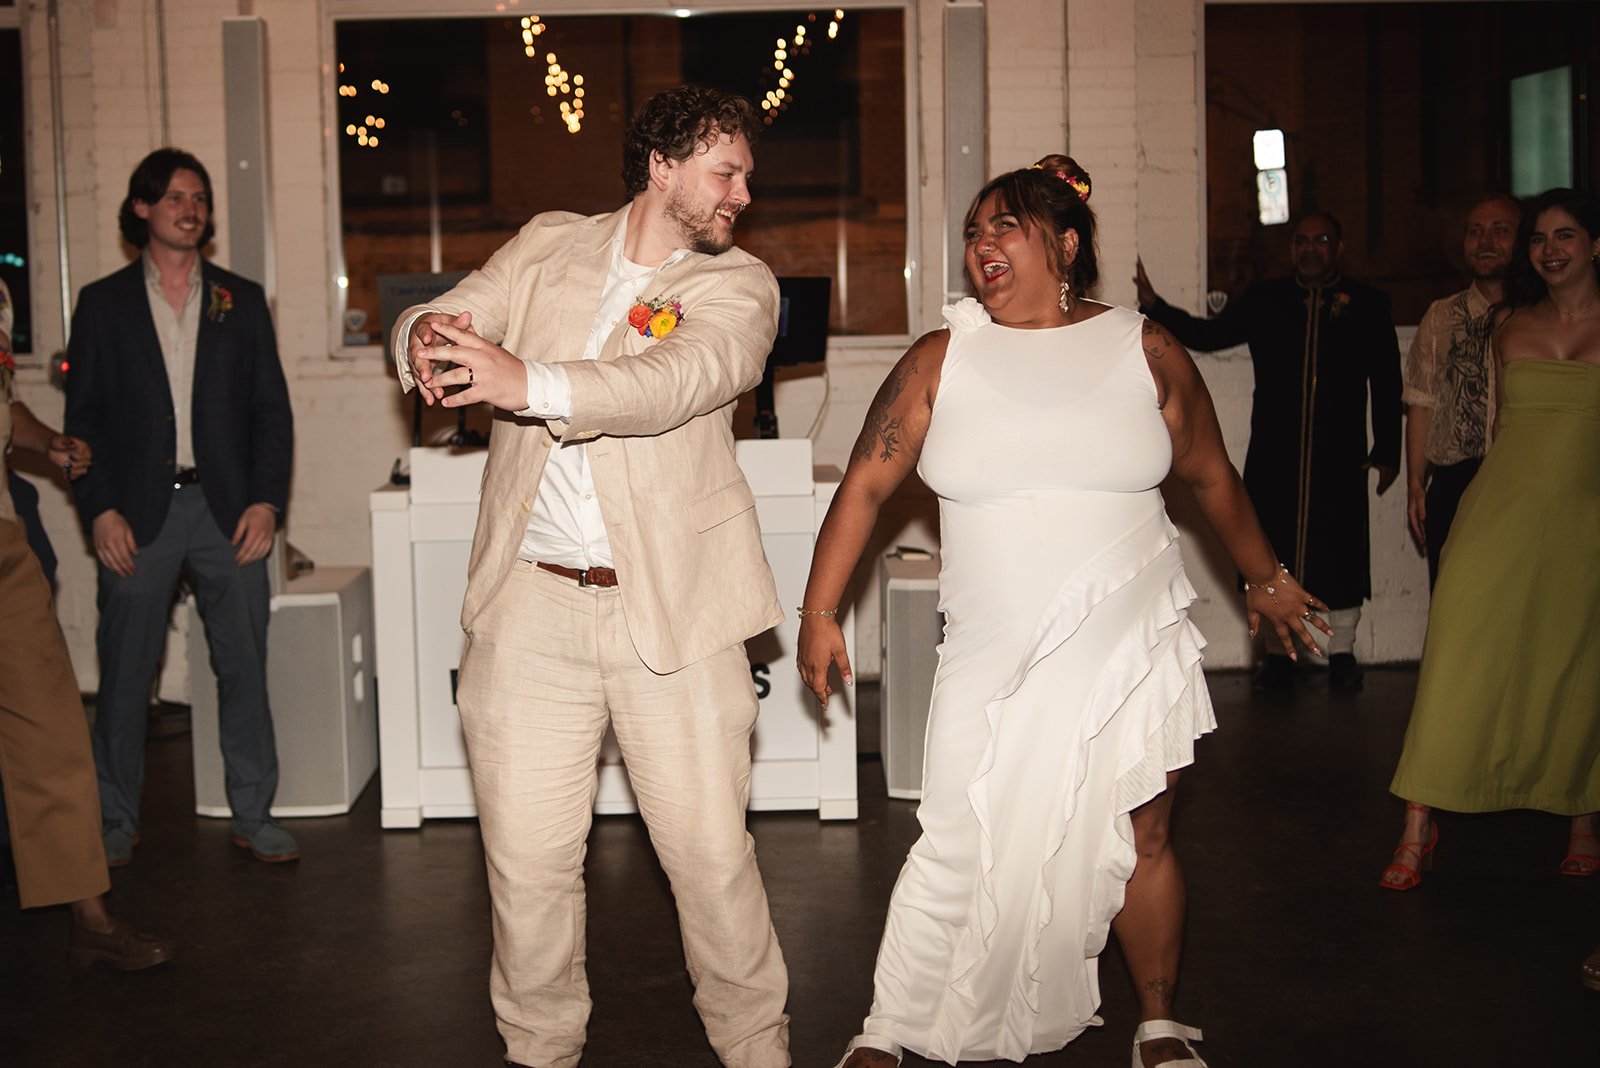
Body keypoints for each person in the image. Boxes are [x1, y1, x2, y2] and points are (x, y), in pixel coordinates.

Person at [798, 156, 1328, 1068]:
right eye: (972, 232)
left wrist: (1268, 576)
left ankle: (1158, 1021)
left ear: (1065, 242)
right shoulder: (941, 358)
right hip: (992, 645)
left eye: (1003, 226)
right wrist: (818, 611)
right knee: (958, 823)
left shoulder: (1144, 347)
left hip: (1125, 629)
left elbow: (1210, 474)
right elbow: (865, 486)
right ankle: (890, 1025)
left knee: (1141, 828)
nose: (981, 246)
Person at [390, 86, 790, 1068]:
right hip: (528, 609)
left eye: (745, 173)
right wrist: (426, 342)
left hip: (674, 619)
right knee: (526, 873)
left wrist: (524, 380)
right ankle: (539, 1053)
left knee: (709, 867)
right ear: (663, 164)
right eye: (725, 169)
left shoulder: (740, 285)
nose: (744, 189)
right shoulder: (550, 242)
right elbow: (451, 309)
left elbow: (670, 385)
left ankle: (757, 1051)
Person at [65, 148, 296, 866]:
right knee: (125, 674)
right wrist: (99, 510)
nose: (190, 209)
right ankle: (114, 821)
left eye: (199, 198)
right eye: (174, 197)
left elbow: (270, 413)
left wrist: (265, 503)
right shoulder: (102, 305)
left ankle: (254, 814)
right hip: (136, 517)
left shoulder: (240, 298)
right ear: (142, 209)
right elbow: (86, 420)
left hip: (228, 514)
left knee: (243, 671)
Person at [1382, 188, 1600, 890]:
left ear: (1595, 245)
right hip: (1497, 514)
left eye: (1566, 236)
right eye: (1539, 239)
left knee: (1578, 667)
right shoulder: (1509, 326)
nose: (1550, 250)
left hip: (1586, 523)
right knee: (1457, 658)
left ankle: (1581, 815)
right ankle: (1420, 822)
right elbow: (1502, 432)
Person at [1135, 211, 1403, 691]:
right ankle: (1277, 655)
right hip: (1277, 451)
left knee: (1339, 548)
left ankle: (1342, 649)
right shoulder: (1267, 300)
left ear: (1338, 247)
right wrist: (1157, 308)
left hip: (1339, 453)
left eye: (1321, 240)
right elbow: (1208, 334)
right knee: (1267, 544)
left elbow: (1387, 380)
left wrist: (1386, 449)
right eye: (1301, 241)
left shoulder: (1368, 305)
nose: (1310, 248)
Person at [1, 335, 172, 971]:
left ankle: (89, 917)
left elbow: (3, 404)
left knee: (53, 729)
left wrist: (45, 442)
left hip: (4, 538)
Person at [1404, 194, 1522, 585]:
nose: (1485, 241)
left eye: (1500, 230)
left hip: (1523, 475)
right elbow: (1422, 401)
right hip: (1456, 478)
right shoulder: (1441, 315)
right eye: (1475, 232)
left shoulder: (1539, 315)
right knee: (1454, 593)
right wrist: (1416, 484)